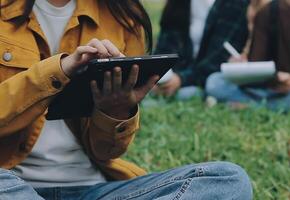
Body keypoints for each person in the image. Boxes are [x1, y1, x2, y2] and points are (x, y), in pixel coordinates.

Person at [0, 0, 253, 199]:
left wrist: (116, 111)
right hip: (11, 184)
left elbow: (107, 150)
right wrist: (60, 70)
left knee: (228, 180)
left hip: (96, 188)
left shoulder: (123, 17)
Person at [153, 0, 249, 99]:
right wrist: (158, 77)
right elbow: (165, 46)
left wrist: (180, 79)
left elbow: (218, 59)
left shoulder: (233, 3)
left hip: (209, 77)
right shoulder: (180, 4)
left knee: (196, 90)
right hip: (179, 75)